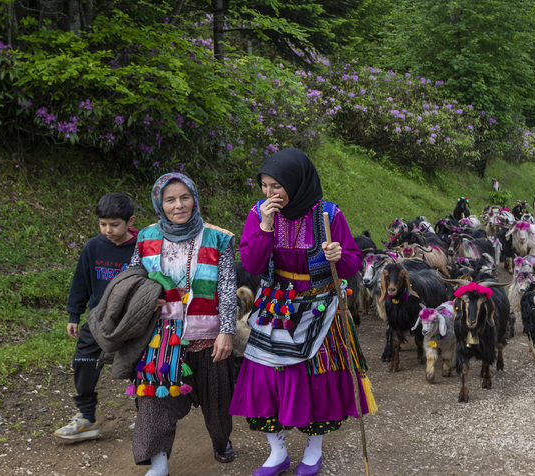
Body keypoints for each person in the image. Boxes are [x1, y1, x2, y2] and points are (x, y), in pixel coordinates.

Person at [230, 148, 372, 476]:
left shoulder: (328, 214)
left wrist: (339, 254)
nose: (269, 193)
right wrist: (265, 226)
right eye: (264, 186)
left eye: (276, 186)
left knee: (315, 380)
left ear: (297, 182)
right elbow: (250, 264)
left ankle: (313, 451)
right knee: (264, 379)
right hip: (276, 305)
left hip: (319, 305)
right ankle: (277, 452)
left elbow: (353, 262)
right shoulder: (259, 214)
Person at [129, 173, 238, 476]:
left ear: (195, 198)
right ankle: (159, 463)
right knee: (153, 399)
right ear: (159, 204)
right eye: (170, 200)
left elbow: (228, 288)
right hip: (160, 336)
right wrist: (143, 301)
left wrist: (227, 332)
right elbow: (132, 281)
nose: (179, 205)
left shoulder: (219, 237)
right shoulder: (145, 237)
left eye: (184, 197)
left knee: (217, 401)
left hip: (208, 335)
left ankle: (220, 441)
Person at [55, 193, 138, 441]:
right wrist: (74, 314)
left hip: (131, 320)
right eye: (103, 224)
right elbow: (80, 281)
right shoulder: (93, 247)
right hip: (97, 318)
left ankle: (146, 414)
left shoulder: (143, 247)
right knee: (83, 361)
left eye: (114, 224)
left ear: (130, 221)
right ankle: (86, 418)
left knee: (138, 365)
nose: (108, 230)